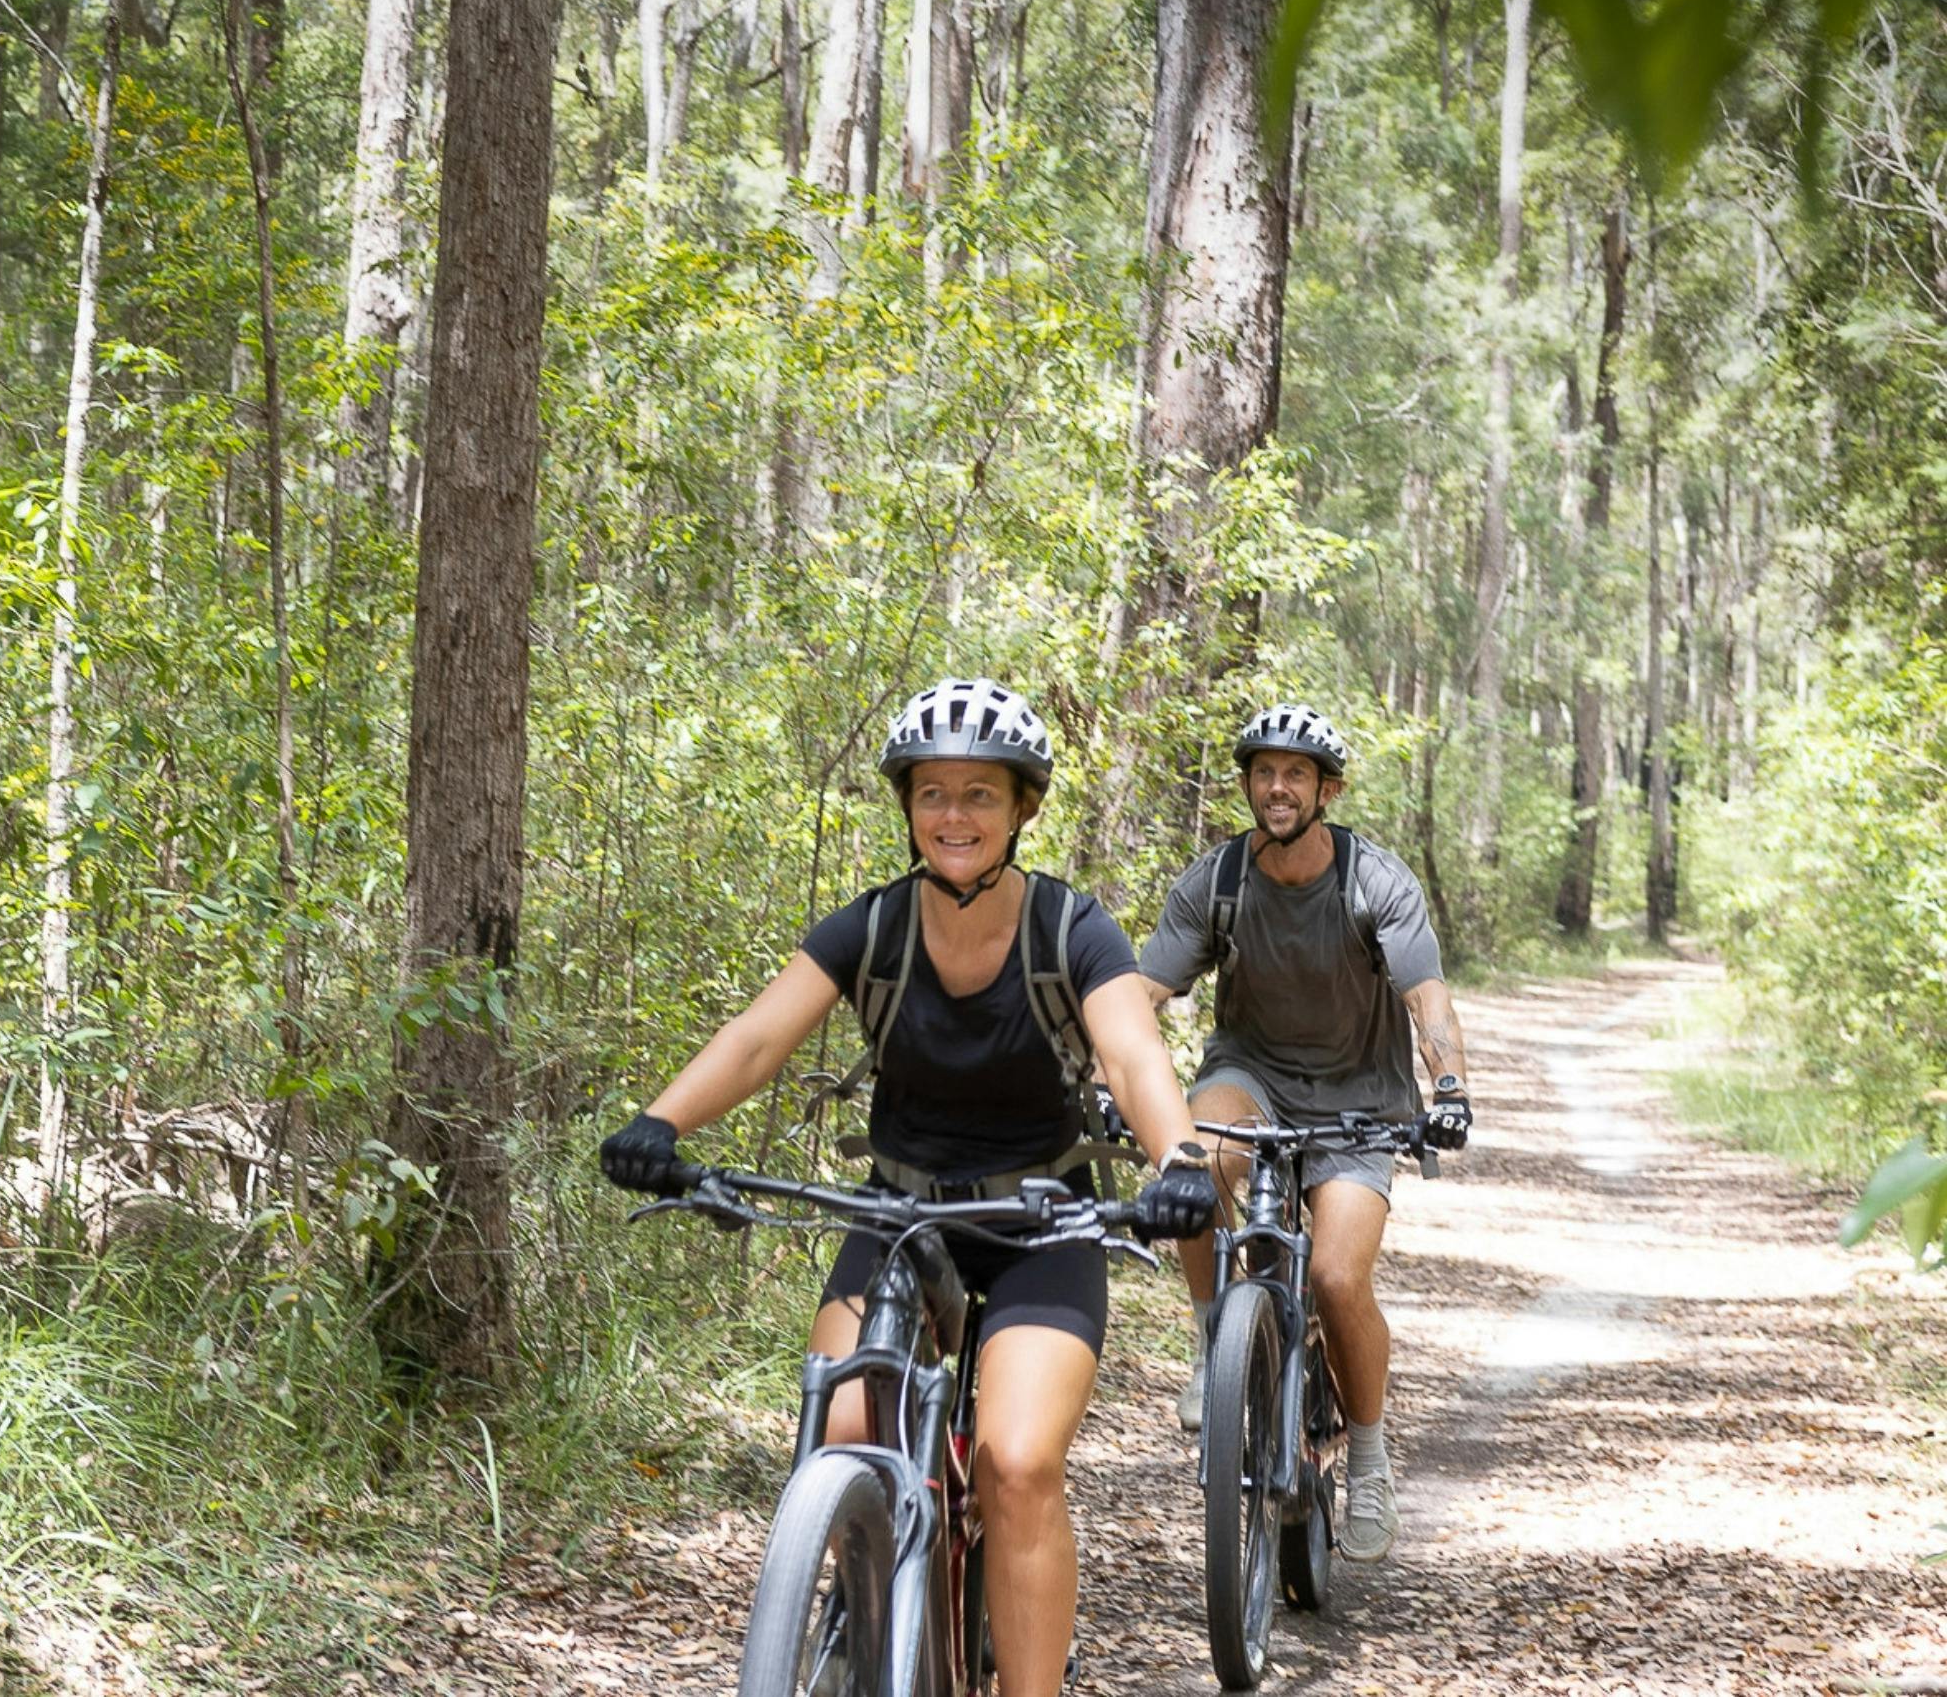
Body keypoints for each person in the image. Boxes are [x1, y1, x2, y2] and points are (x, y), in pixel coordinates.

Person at [600, 677, 1217, 1697]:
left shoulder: (1072, 930)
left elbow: (1134, 1058)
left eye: (980, 794)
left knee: (1018, 1466)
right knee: (843, 1430)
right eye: (933, 794)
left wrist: (1181, 1161)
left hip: (1039, 1223)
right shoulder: (872, 929)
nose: (954, 816)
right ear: (907, 807)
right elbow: (758, 1038)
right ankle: (869, 1613)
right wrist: (663, 1121)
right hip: (898, 1213)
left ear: (1023, 807)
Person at [1134, 701, 1474, 1566]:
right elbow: (1140, 994)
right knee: (1201, 1157)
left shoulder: (1375, 881)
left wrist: (1450, 1084)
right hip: (1253, 1074)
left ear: (1327, 789)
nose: (1276, 788)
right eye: (1263, 772)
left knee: (1333, 1274)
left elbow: (1424, 996)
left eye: (1295, 774)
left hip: (1361, 1099)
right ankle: (1217, 1341)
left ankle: (1367, 1457)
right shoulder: (1218, 882)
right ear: (1248, 784)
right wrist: (1101, 1068)